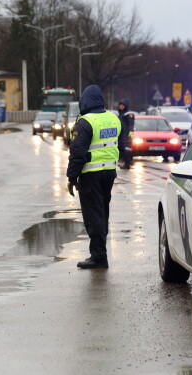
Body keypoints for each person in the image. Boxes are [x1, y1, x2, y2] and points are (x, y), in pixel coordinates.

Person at [66, 85, 121, 269]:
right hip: (109, 174)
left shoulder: (85, 122)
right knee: (102, 213)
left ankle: (98, 256)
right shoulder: (113, 119)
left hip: (91, 175)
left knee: (94, 216)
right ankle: (99, 253)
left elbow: (78, 153)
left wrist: (72, 177)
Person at [117, 98, 135, 169]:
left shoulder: (128, 114)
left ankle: (127, 163)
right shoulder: (121, 114)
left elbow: (131, 124)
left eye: (122, 105)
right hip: (121, 134)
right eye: (120, 105)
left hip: (126, 135)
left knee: (126, 149)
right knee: (121, 148)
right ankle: (125, 162)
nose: (121, 107)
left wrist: (130, 135)